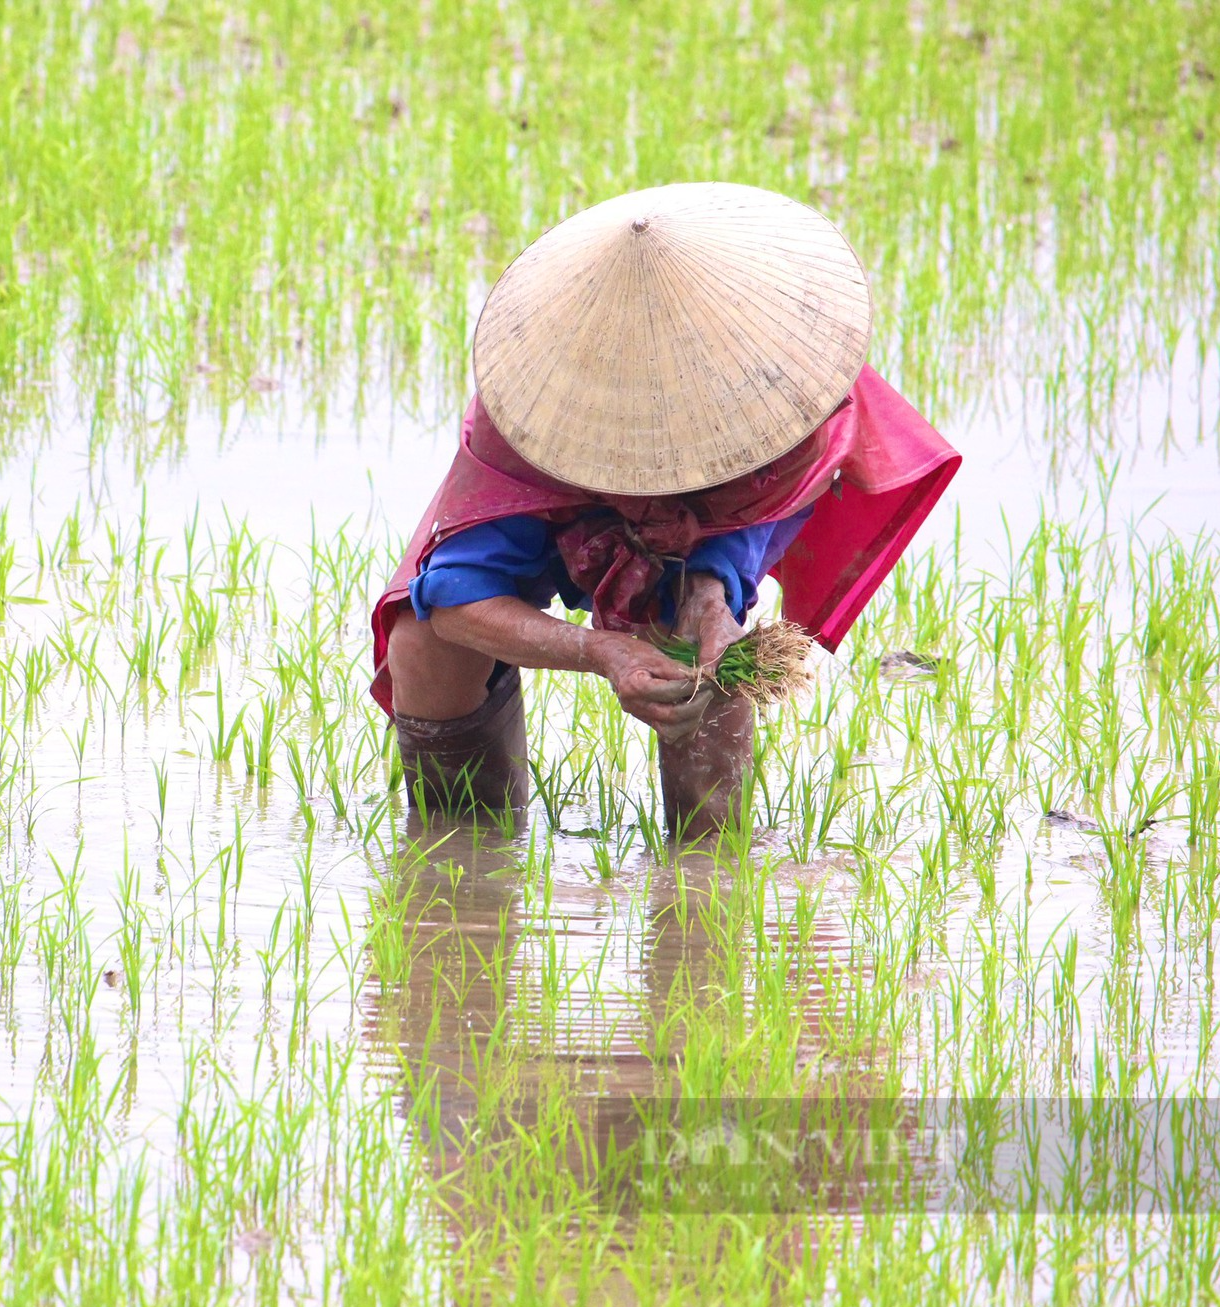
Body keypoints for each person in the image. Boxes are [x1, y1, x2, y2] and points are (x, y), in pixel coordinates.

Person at [369, 182, 960, 837]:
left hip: (698, 532)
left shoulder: (787, 398)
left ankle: (705, 867)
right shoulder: (525, 424)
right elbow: (452, 592)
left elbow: (768, 507)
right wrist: (602, 650)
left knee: (708, 647)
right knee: (422, 643)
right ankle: (467, 856)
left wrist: (713, 587)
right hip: (557, 516)